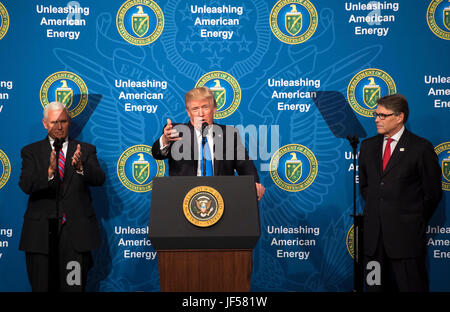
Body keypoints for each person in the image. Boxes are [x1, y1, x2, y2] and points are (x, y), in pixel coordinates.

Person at [359, 93, 442, 292]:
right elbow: (366, 188)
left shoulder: (420, 148)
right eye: (375, 114)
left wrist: (411, 219)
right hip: (374, 243)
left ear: (399, 117)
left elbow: (432, 193)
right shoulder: (368, 146)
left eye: (382, 115)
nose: (376, 119)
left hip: (406, 241)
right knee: (373, 288)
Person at [18, 101, 105, 292]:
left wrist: (81, 169)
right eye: (54, 122)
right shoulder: (31, 152)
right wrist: (49, 172)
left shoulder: (86, 150)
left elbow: (99, 179)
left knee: (73, 288)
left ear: (69, 122)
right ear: (44, 124)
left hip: (74, 236)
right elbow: (26, 185)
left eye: (63, 121)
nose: (59, 127)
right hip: (41, 236)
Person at [152, 86, 265, 201]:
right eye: (195, 109)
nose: (200, 113)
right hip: (183, 197)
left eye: (205, 107)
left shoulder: (230, 134)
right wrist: (165, 140)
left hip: (222, 197)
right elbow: (157, 154)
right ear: (188, 112)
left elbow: (245, 165)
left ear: (214, 109)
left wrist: (254, 184)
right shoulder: (175, 131)